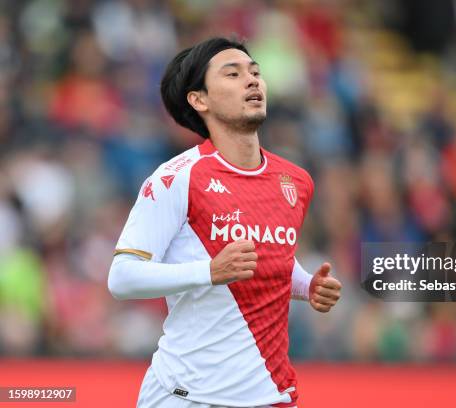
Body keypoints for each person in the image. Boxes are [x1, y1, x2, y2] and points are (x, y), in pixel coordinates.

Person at [107, 37, 341, 408]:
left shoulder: (294, 181)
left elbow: (270, 256)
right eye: (233, 74)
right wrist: (210, 271)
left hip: (272, 394)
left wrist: (306, 285)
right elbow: (122, 278)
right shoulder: (176, 178)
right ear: (199, 100)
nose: (251, 81)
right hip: (187, 396)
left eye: (255, 73)